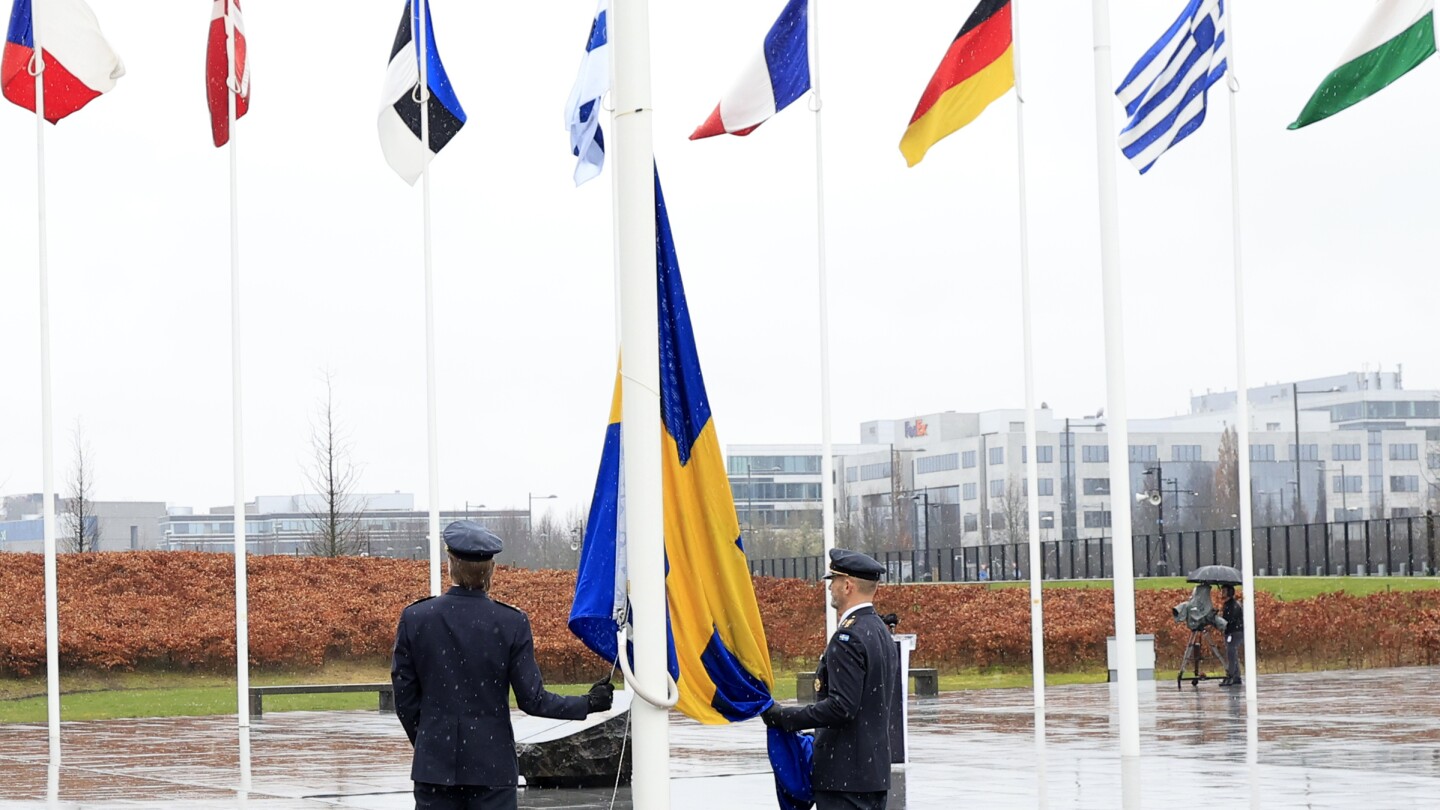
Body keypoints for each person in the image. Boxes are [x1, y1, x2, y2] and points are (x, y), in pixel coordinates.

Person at [391, 520, 615, 809]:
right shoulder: (510, 622)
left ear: (450, 565)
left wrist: (430, 743)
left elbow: (405, 701)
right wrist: (587, 703)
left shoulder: (417, 618)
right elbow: (533, 700)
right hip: (492, 768)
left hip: (435, 769)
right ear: (491, 570)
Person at [762, 548, 897, 810]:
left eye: (833, 581)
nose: (830, 588)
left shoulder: (849, 637)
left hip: (844, 775)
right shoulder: (878, 629)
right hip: (870, 773)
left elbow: (842, 708)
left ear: (848, 585)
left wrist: (785, 717)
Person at [1219, 583, 1244, 687]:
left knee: (1231, 652)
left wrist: (1221, 621)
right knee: (1232, 652)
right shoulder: (1228, 604)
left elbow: (1230, 620)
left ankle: (1231, 676)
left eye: (1224, 591)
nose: (1222, 593)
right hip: (1232, 631)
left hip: (1234, 632)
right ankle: (1236, 676)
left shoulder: (1233, 605)